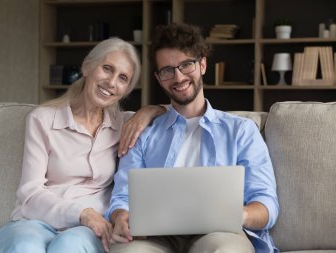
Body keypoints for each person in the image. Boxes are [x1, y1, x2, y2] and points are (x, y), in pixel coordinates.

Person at [106, 23, 279, 253]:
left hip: (218, 234)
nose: (178, 77)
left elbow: (266, 203)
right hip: (154, 238)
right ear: (159, 78)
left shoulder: (241, 131)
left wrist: (242, 214)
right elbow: (122, 197)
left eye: (186, 65)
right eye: (167, 70)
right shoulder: (142, 132)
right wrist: (121, 217)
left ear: (203, 65)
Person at [0, 38, 166, 253]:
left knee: (68, 246)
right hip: (36, 220)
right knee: (25, 246)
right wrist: (82, 213)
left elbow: (174, 113)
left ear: (126, 90)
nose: (111, 82)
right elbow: (30, 192)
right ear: (87, 67)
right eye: (107, 69)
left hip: (87, 229)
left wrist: (149, 110)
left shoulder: (126, 125)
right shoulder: (42, 119)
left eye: (123, 78)